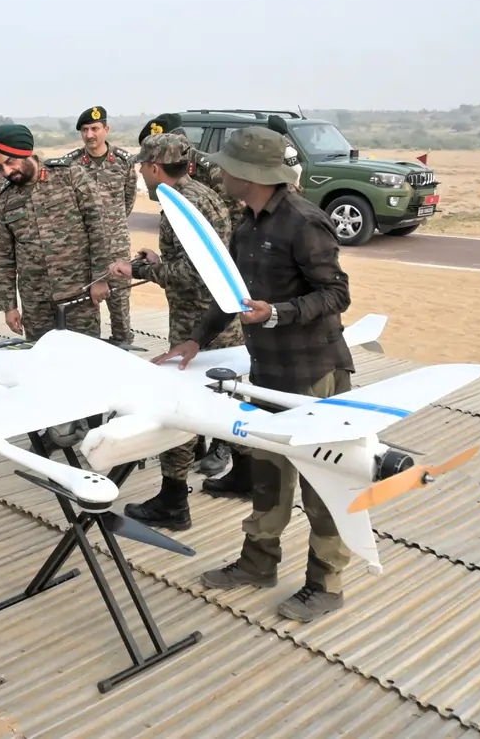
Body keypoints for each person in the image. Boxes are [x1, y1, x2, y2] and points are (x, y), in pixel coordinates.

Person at [154, 125, 355, 623]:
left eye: (226, 166)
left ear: (252, 174)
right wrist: (196, 340)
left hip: (314, 373)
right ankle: (258, 563)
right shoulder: (247, 225)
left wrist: (277, 313)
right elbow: (233, 294)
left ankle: (325, 584)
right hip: (267, 372)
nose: (217, 172)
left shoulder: (304, 223)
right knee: (267, 476)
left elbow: (336, 295)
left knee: (320, 484)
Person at [109, 131, 244, 530]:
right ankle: (248, 476)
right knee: (227, 398)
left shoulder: (179, 202)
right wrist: (159, 257)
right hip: (221, 318)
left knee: (181, 407)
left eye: (143, 169)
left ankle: (172, 501)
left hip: (196, 325)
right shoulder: (201, 193)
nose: (142, 176)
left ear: (153, 167)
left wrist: (139, 270)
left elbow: (191, 272)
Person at [0, 123, 112, 341]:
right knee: (41, 361)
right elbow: (3, 257)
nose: (7, 172)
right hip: (36, 303)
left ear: (26, 153)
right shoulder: (6, 199)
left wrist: (100, 279)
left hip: (78, 295)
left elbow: (99, 228)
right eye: (0, 168)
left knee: (84, 357)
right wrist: (9, 306)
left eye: (10, 162)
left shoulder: (70, 176)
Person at [62, 106, 138, 345]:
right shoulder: (71, 164)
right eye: (84, 130)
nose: (90, 135)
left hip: (116, 244)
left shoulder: (124, 162)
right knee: (85, 302)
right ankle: (88, 346)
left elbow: (128, 201)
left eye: (95, 128)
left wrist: (110, 226)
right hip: (82, 246)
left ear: (106, 129)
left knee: (120, 301)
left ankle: (123, 342)